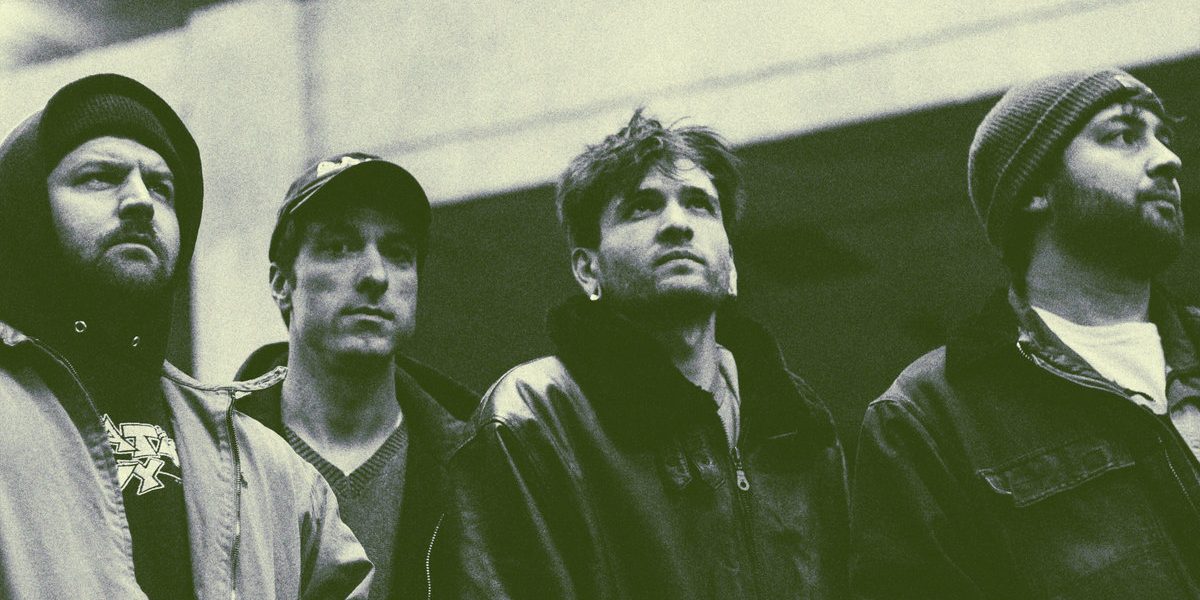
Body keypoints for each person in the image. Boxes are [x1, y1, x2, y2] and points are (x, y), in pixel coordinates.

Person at [441, 110, 849, 599]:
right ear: (587, 269)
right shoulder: (534, 414)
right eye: (641, 207)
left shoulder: (797, 421)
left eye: (700, 205)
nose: (677, 224)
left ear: (732, 264)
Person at [0, 73, 371, 599]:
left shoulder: (269, 472)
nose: (140, 201)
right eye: (99, 177)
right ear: (24, 208)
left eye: (162, 187)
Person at [850, 68, 1199, 598]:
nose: (1168, 159)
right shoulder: (927, 415)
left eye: (1162, 136)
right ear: (1035, 188)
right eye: (1124, 135)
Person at [236, 152, 478, 599]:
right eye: (338, 247)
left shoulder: (479, 461)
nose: (375, 275)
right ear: (282, 284)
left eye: (398, 253)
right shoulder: (217, 457)